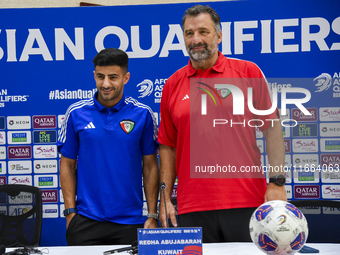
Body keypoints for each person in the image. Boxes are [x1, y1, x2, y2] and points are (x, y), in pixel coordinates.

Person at [157, 5, 287, 242]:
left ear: (219, 36)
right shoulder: (172, 84)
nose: (196, 39)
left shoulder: (248, 72)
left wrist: (277, 182)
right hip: (192, 207)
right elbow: (167, 146)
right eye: (189, 33)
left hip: (247, 201)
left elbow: (272, 129)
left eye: (203, 32)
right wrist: (165, 199)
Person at [57, 48, 159, 245]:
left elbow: (150, 166)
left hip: (131, 222)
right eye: (100, 76)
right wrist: (70, 213)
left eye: (113, 77)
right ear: (94, 75)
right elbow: (67, 165)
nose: (105, 84)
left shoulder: (143, 114)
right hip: (86, 220)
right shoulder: (76, 113)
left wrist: (152, 215)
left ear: (126, 77)